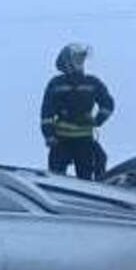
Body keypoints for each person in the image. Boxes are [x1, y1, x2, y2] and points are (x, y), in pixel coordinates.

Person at [40, 43, 116, 180]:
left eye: (82, 58)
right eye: (77, 58)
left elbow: (108, 104)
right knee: (56, 178)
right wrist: (49, 136)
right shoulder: (56, 84)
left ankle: (94, 196)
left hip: (85, 140)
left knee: (88, 175)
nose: (80, 62)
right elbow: (46, 113)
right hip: (61, 141)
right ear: (67, 61)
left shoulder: (92, 82)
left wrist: (97, 120)